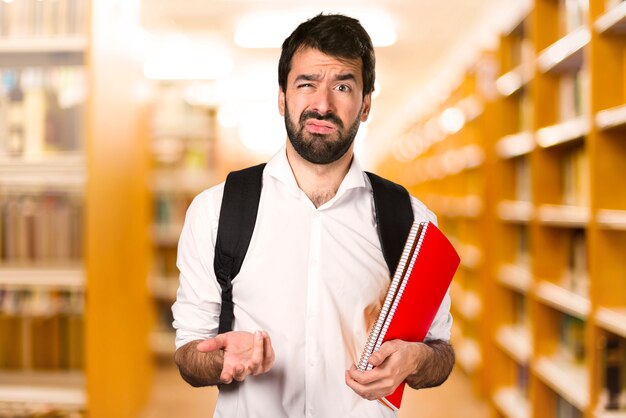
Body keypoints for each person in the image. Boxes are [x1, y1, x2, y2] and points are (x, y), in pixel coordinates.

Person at [172, 13, 454, 418]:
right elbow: (187, 355)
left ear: (366, 103)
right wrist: (221, 361)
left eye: (343, 86)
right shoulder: (216, 211)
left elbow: (440, 351)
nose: (322, 104)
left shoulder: (410, 220)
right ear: (282, 97)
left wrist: (415, 360)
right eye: (306, 84)